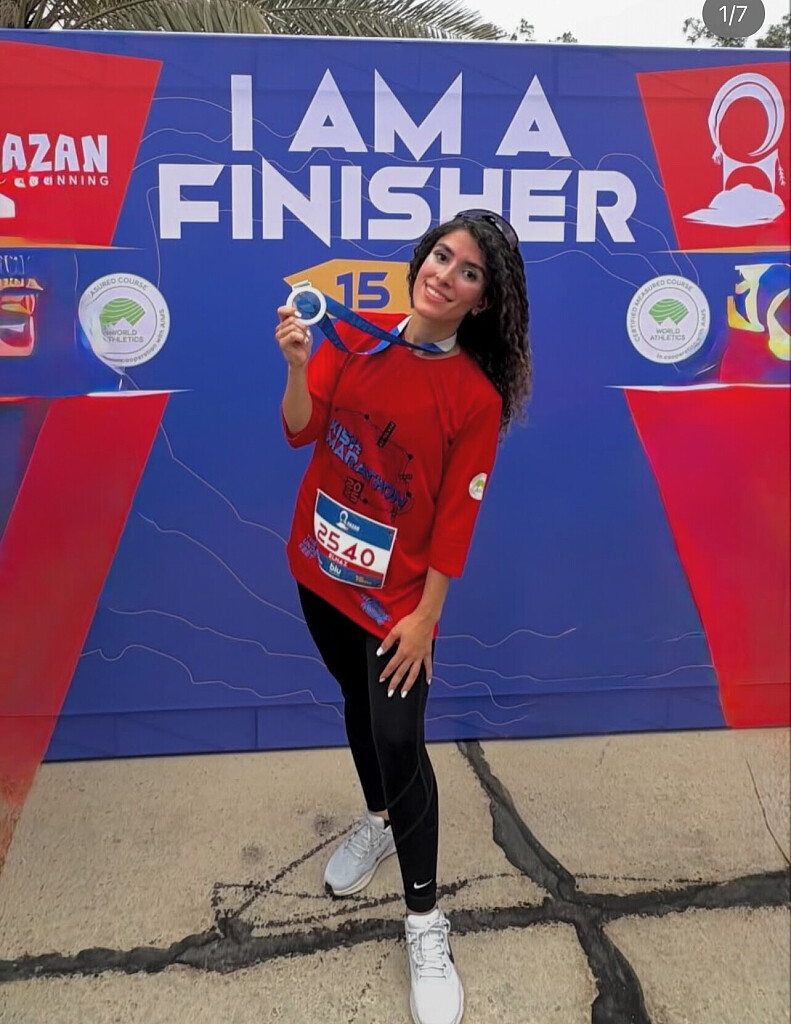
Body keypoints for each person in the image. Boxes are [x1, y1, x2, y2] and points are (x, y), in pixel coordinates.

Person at [275, 210, 531, 1024]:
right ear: (420, 259)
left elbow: (456, 523)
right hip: (319, 572)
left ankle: (424, 921)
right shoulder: (354, 338)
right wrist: (297, 367)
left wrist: (424, 620)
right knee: (355, 703)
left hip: (397, 605)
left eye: (468, 272)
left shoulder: (474, 398)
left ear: (482, 302)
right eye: (441, 256)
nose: (445, 274)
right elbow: (300, 430)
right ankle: (378, 820)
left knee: (397, 738)